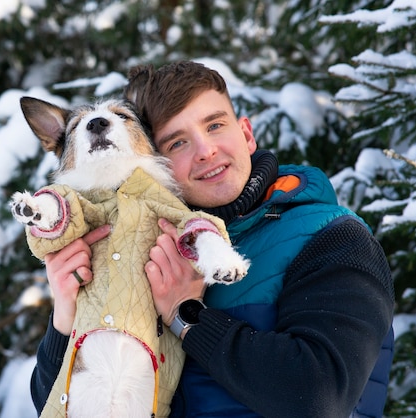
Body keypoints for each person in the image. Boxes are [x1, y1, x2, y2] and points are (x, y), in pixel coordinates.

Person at [30, 61, 395, 418]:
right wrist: (65, 318)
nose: (205, 151)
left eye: (215, 125)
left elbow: (320, 397)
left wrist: (186, 316)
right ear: (152, 159)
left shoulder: (333, 237)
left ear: (247, 134)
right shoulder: (150, 243)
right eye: (177, 143)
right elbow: (57, 402)